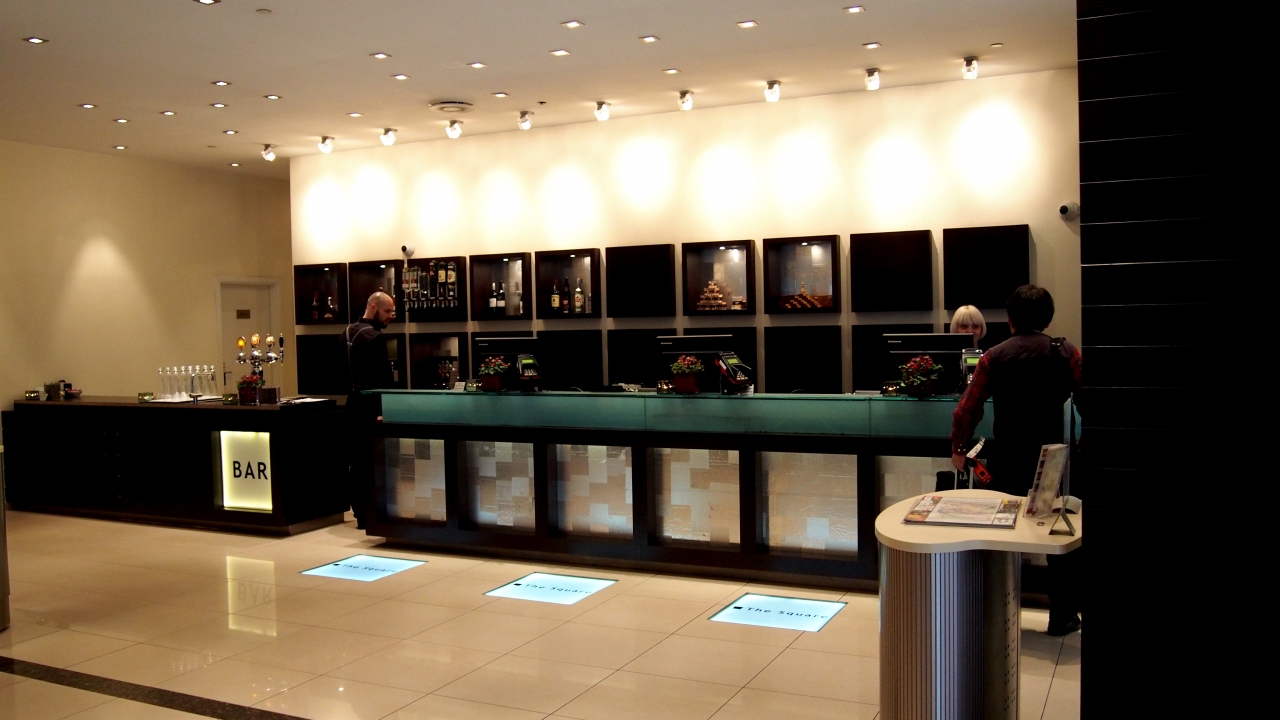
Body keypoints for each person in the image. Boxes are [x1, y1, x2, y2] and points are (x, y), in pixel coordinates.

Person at [950, 284, 1083, 636]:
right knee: (1057, 534)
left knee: (1001, 532)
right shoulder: (1065, 351)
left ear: (1009, 320)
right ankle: (1062, 616)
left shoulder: (994, 356)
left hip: (1008, 457)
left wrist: (959, 448)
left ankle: (995, 613)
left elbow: (966, 409)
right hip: (1052, 460)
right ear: (1048, 319)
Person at [342, 291, 397, 529]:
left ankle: (360, 513)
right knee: (371, 462)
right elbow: (383, 380)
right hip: (371, 407)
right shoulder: (375, 338)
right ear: (373, 307)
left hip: (351, 405)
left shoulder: (345, 333)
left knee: (356, 461)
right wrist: (386, 408)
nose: (390, 316)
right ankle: (372, 513)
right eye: (387, 311)